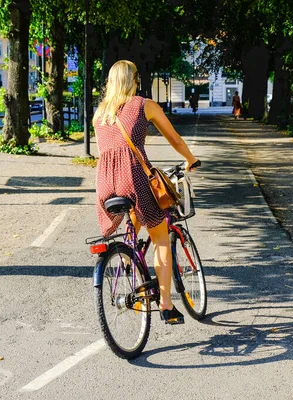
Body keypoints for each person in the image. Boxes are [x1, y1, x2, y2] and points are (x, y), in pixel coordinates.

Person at [94, 60, 199, 325]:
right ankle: (166, 304)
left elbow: (108, 151)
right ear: (135, 80)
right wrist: (190, 159)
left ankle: (129, 259)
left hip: (106, 182)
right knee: (161, 237)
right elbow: (173, 138)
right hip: (134, 176)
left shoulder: (100, 113)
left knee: (135, 214)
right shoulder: (143, 104)